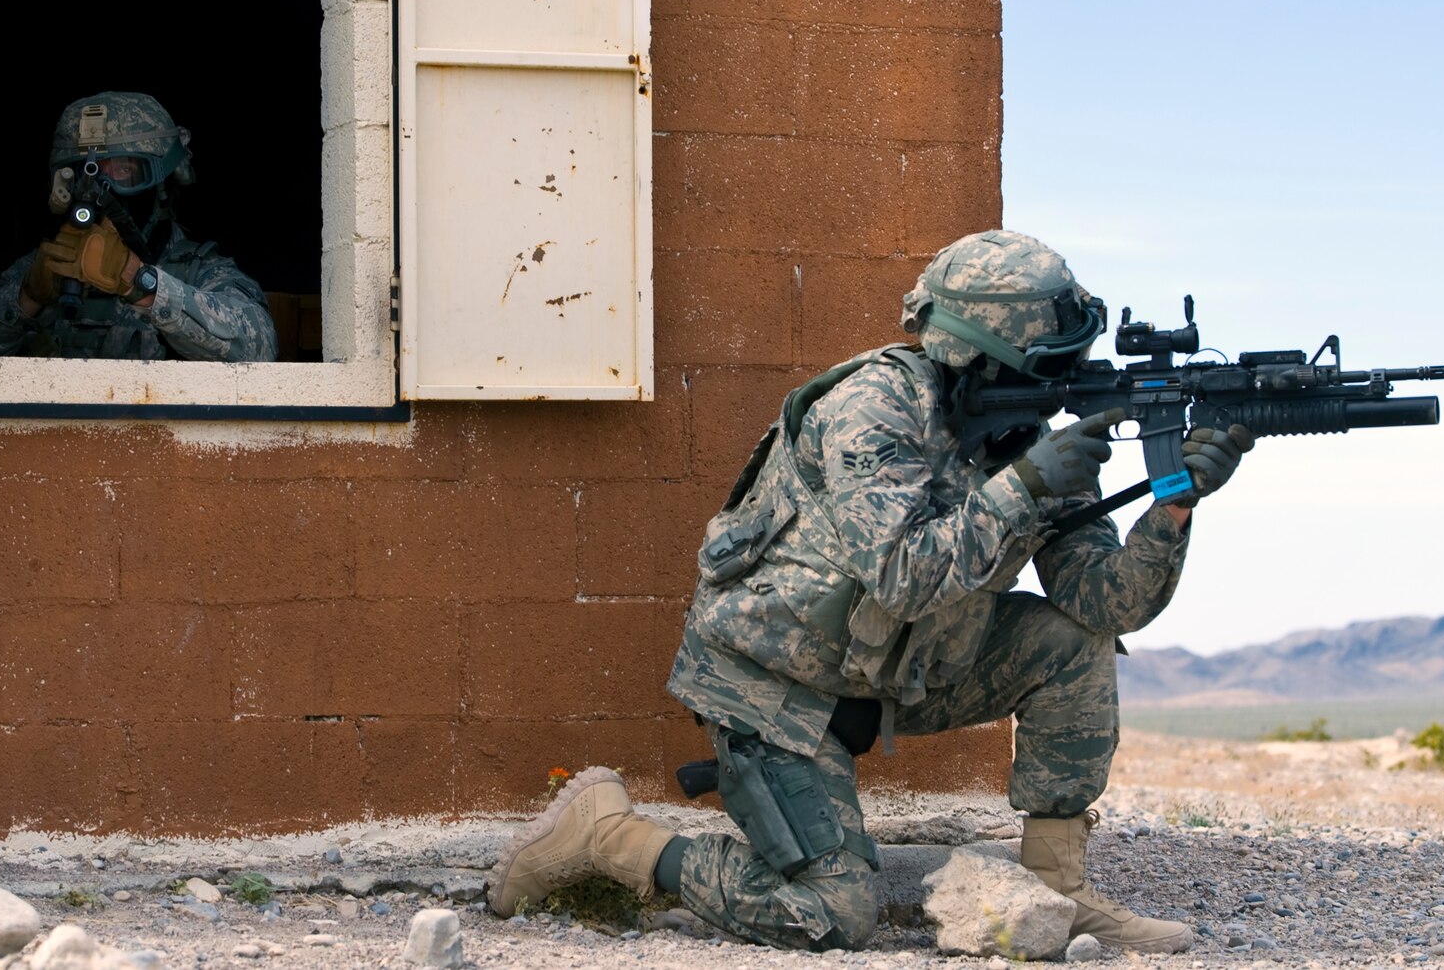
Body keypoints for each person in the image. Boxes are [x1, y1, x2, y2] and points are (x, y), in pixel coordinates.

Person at [486, 229, 1254, 953]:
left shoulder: (1021, 437)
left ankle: (1055, 889)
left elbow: (1105, 602)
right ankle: (610, 836)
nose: (1063, 381)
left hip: (896, 664)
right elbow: (903, 572)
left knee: (1070, 644)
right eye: (1051, 363)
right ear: (988, 356)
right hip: (777, 686)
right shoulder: (874, 407)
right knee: (833, 915)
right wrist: (1024, 486)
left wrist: (1174, 502)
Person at [0, 91, 278, 362]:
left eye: (124, 171)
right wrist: (25, 300)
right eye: (84, 172)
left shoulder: (200, 271)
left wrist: (143, 285)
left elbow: (258, 347)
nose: (98, 189)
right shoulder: (46, 270)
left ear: (162, 185)